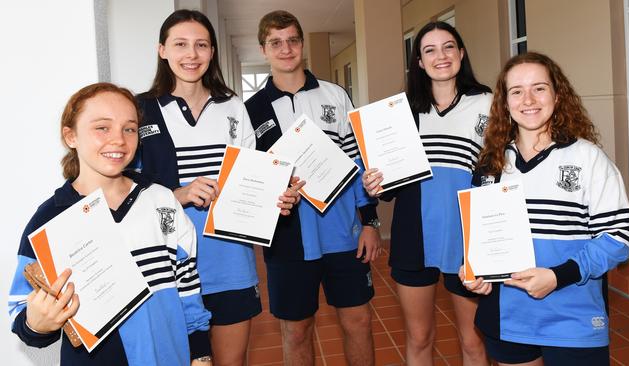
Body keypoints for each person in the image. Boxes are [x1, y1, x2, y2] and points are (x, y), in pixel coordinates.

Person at [134, 9, 301, 366]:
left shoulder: (233, 107)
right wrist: (178, 195)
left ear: (212, 52)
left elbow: (251, 178)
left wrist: (278, 198)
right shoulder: (140, 110)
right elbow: (123, 190)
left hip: (230, 260)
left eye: (201, 45)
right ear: (162, 50)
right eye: (180, 44)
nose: (191, 54)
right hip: (167, 265)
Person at [8, 82, 213, 365]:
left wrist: (201, 354)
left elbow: (188, 284)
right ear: (71, 136)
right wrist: (37, 323)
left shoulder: (162, 200)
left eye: (129, 129)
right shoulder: (49, 219)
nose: (118, 139)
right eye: (102, 128)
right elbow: (21, 313)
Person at [461, 52, 629, 366]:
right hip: (508, 319)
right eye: (516, 91)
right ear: (505, 102)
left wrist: (558, 276)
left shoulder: (589, 159)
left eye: (539, 88)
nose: (528, 99)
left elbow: (618, 240)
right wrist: (473, 271)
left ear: (557, 94)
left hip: (573, 320)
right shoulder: (491, 164)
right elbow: (479, 238)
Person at [244, 10, 381, 366]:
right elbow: (251, 178)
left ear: (302, 44)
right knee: (297, 330)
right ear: (264, 49)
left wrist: (370, 221)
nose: (286, 49)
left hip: (343, 233)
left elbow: (358, 164)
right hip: (287, 238)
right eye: (276, 42)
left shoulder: (334, 95)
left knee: (358, 321)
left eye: (292, 40)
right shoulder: (251, 110)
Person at [362, 21, 491, 365]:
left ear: (461, 53)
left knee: (474, 341)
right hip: (413, 234)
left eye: (449, 47)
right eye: (429, 50)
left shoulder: (489, 104)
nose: (441, 56)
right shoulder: (401, 113)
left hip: (467, 236)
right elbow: (388, 188)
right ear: (419, 61)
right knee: (419, 338)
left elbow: (500, 172)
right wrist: (374, 183)